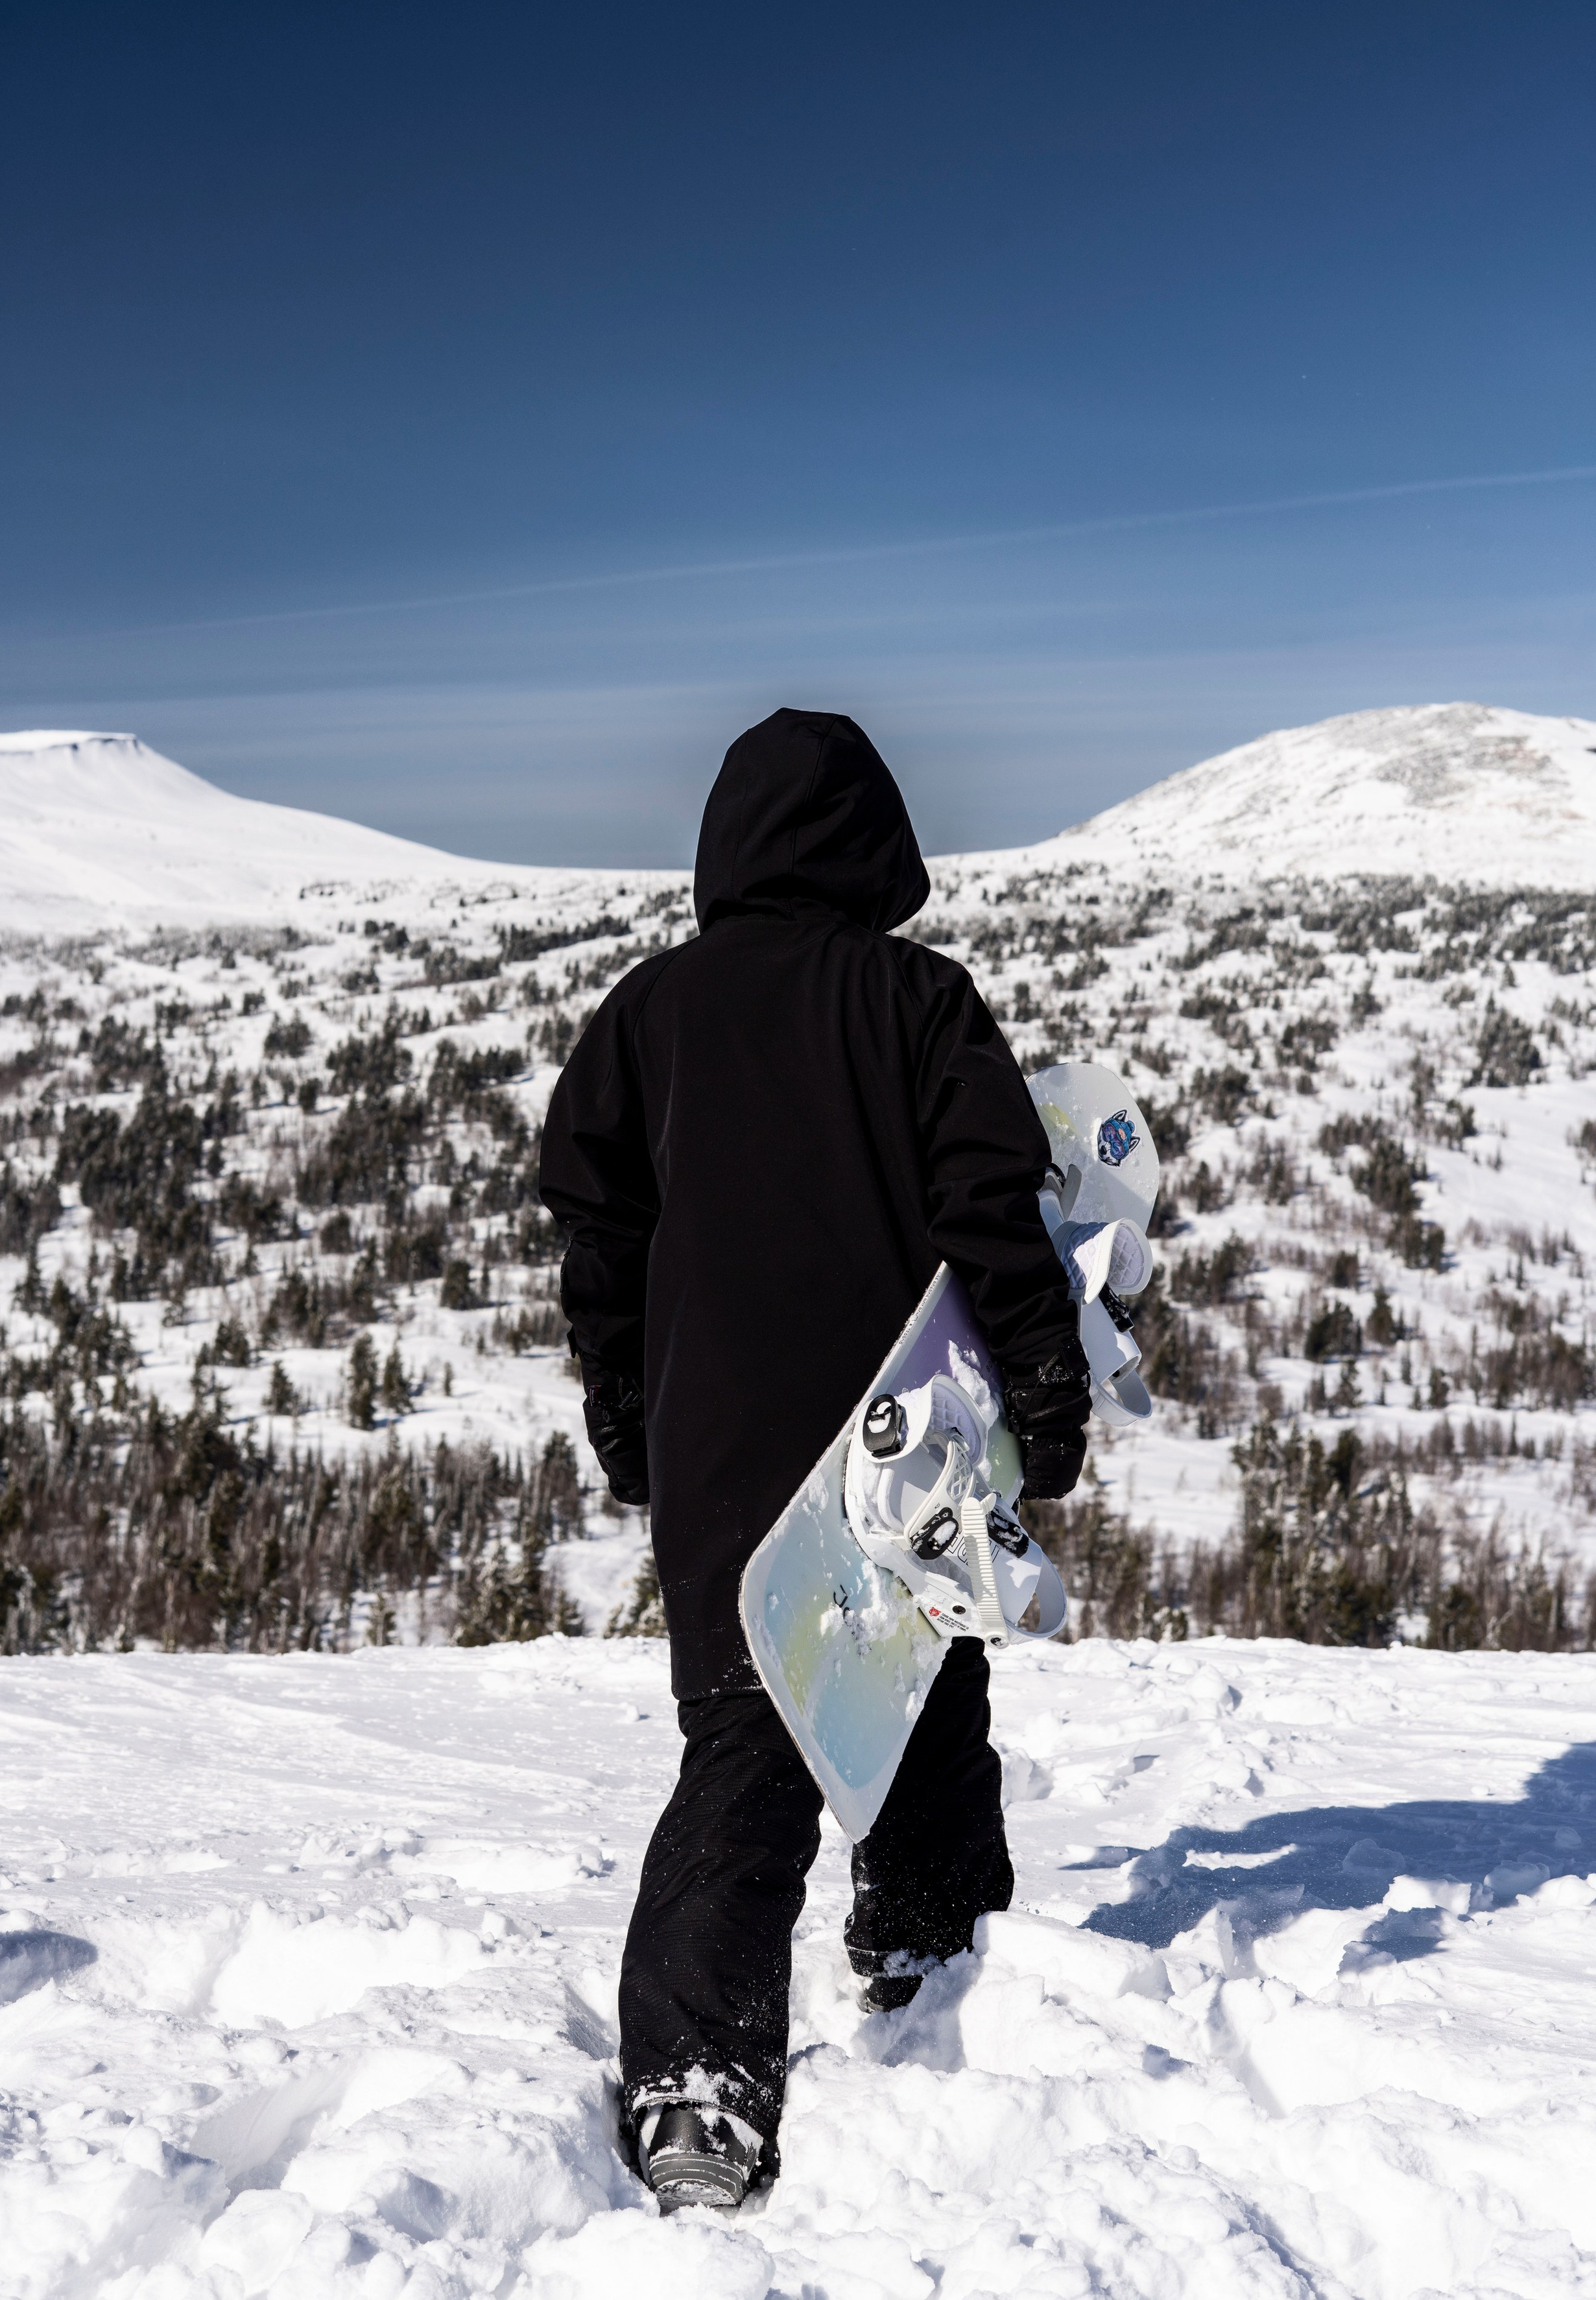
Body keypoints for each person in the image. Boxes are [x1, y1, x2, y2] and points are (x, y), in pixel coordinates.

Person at [538, 708, 1089, 2213]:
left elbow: (599, 1240)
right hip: (900, 1438)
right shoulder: (916, 1000)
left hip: (722, 1443)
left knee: (746, 1731)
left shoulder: (644, 1015)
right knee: (916, 1698)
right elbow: (996, 1211)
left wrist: (620, 1413)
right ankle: (921, 1958)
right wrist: (1042, 1396)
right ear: (874, 844)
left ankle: (705, 2079)